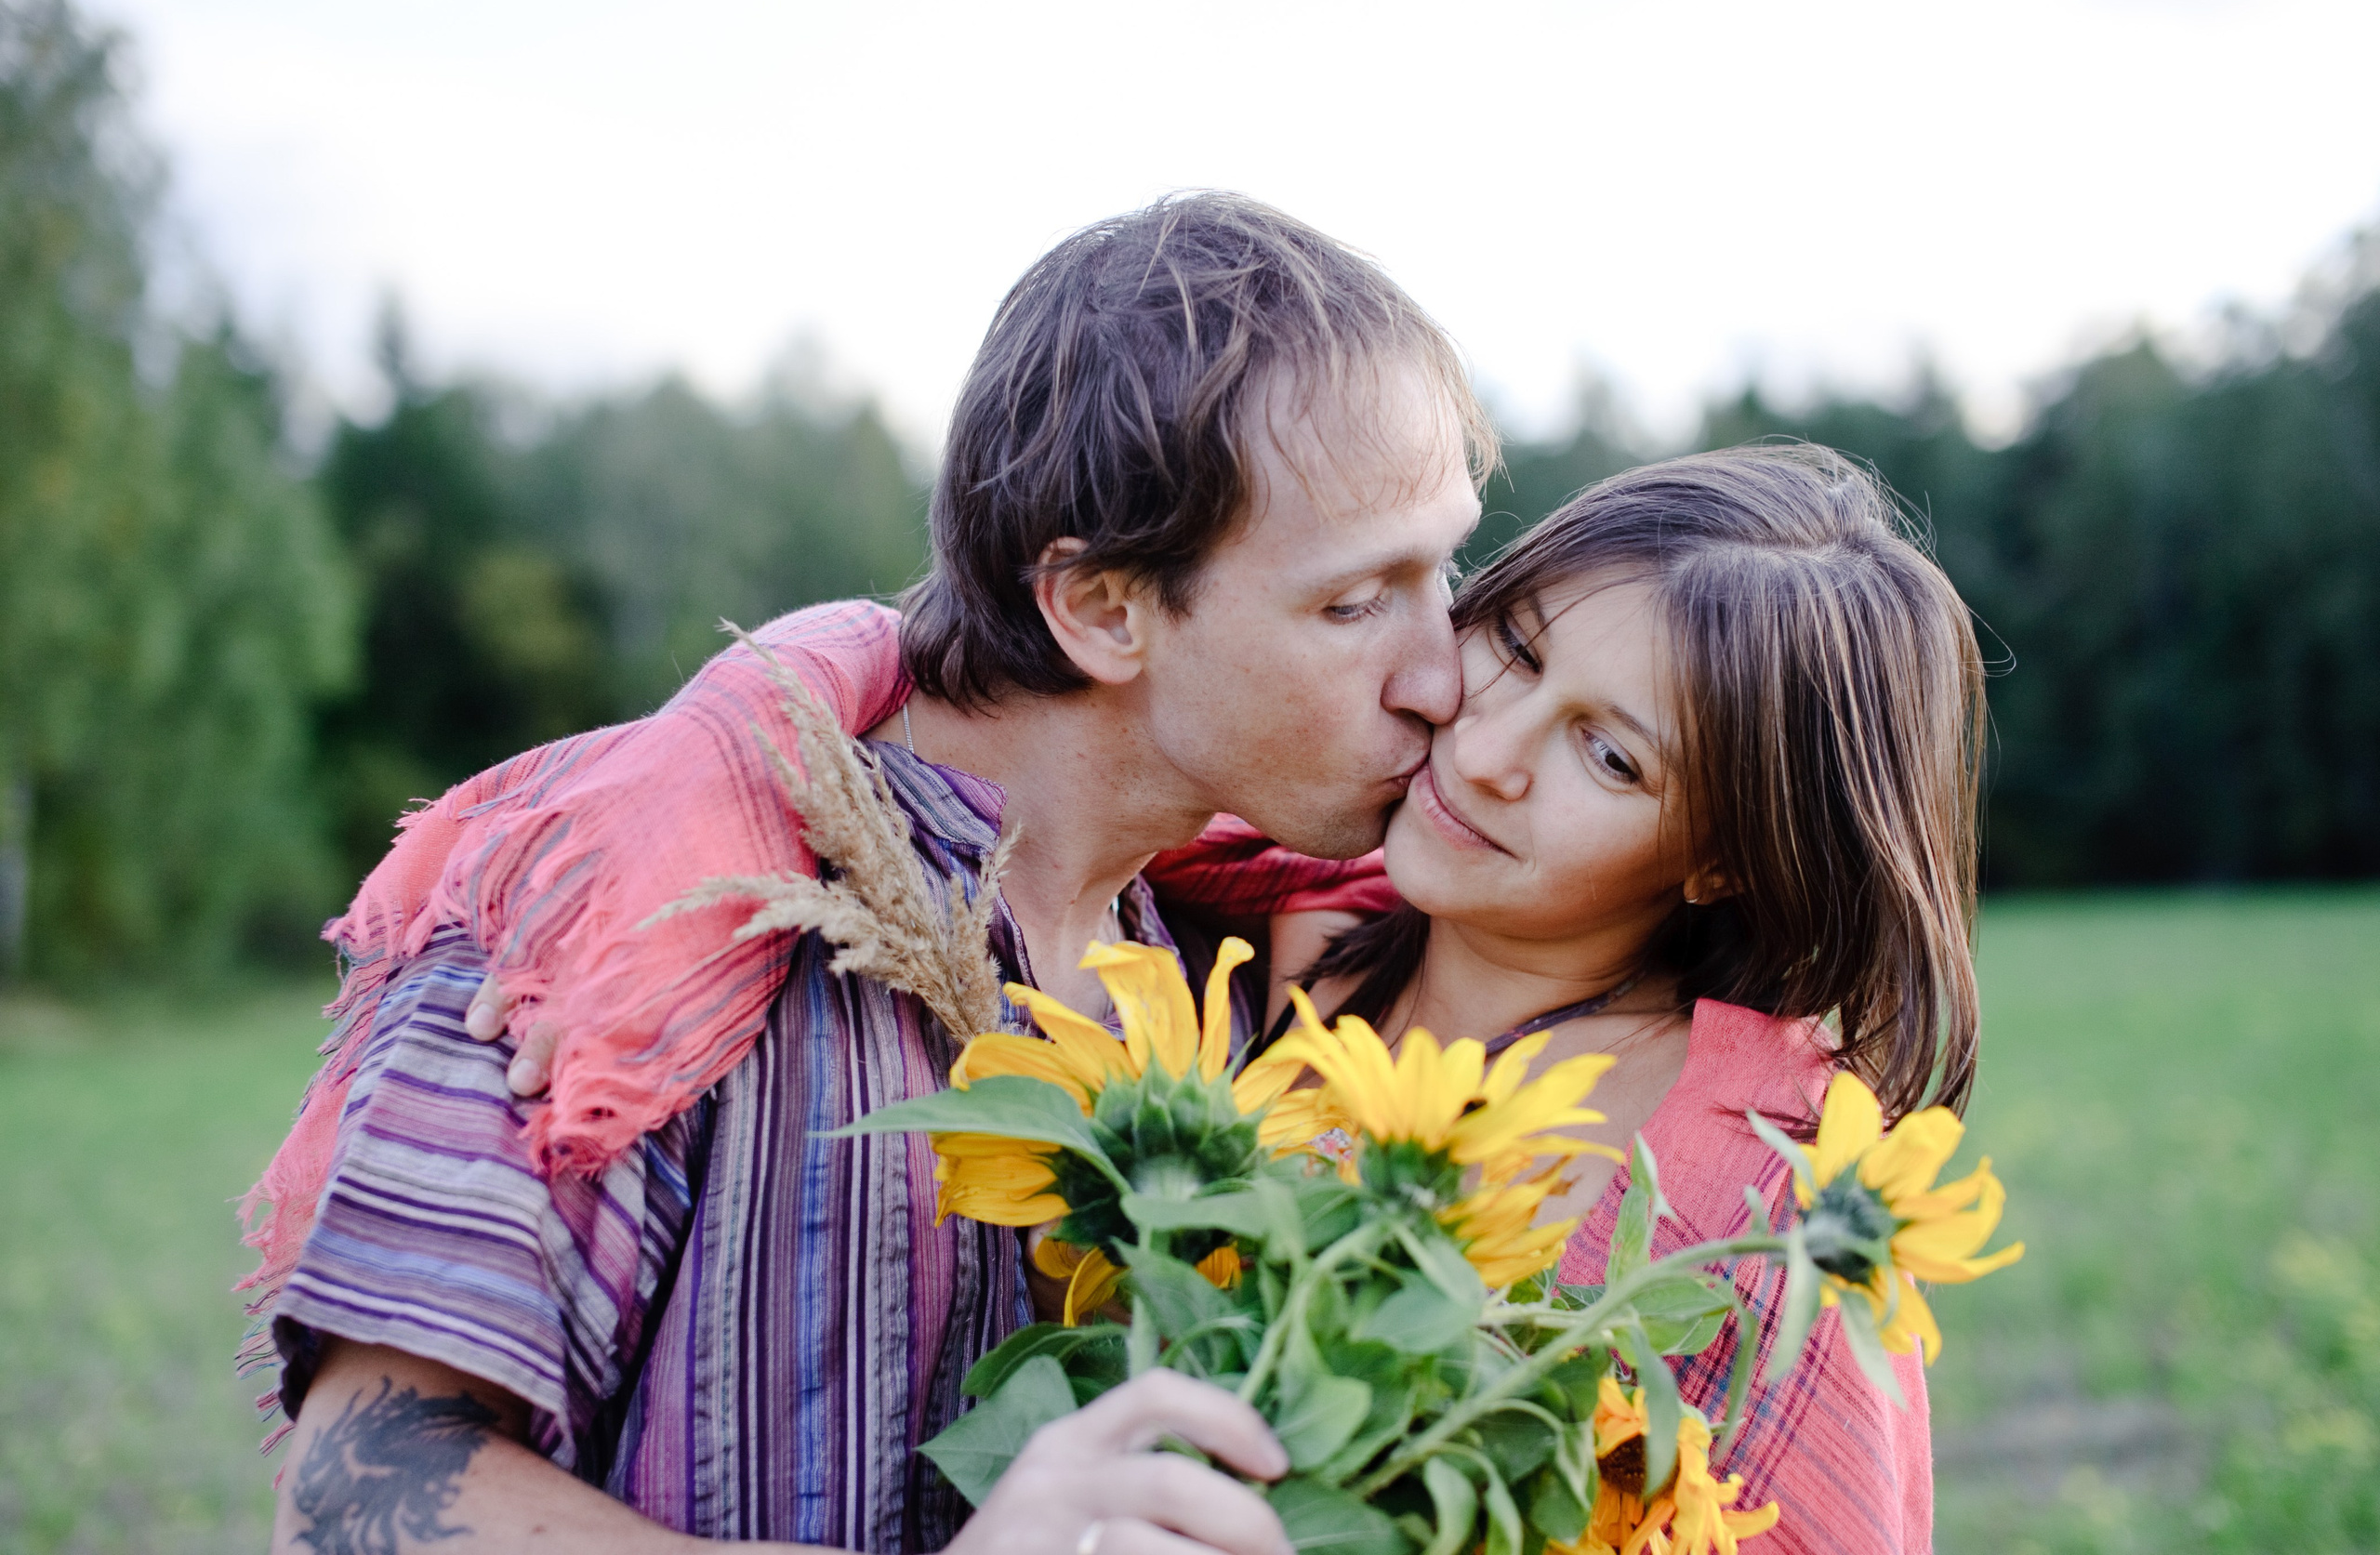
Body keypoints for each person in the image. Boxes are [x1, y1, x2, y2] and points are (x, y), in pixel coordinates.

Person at [241, 191, 1495, 1554]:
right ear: (1104, 608)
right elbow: (356, 1495)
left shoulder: (1227, 969)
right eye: (1356, 601)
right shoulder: (635, 904)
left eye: (1449, 569)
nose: (1444, 676)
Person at [1265, 446, 1983, 1554]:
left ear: (1724, 861)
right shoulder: (1285, 912)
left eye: (1608, 758)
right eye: (1513, 647)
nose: (1488, 749)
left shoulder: (1761, 1187)